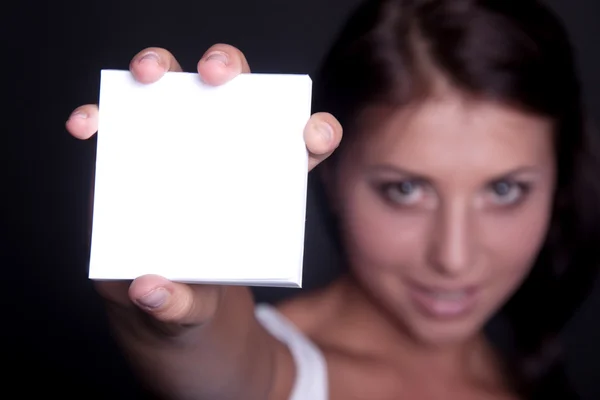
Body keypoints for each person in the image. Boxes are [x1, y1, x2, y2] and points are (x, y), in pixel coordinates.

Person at [66, 0, 600, 399]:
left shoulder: (528, 367)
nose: (453, 257)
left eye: (504, 190)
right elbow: (222, 367)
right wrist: (174, 320)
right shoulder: (280, 374)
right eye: (405, 189)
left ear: (560, 179)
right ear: (330, 175)